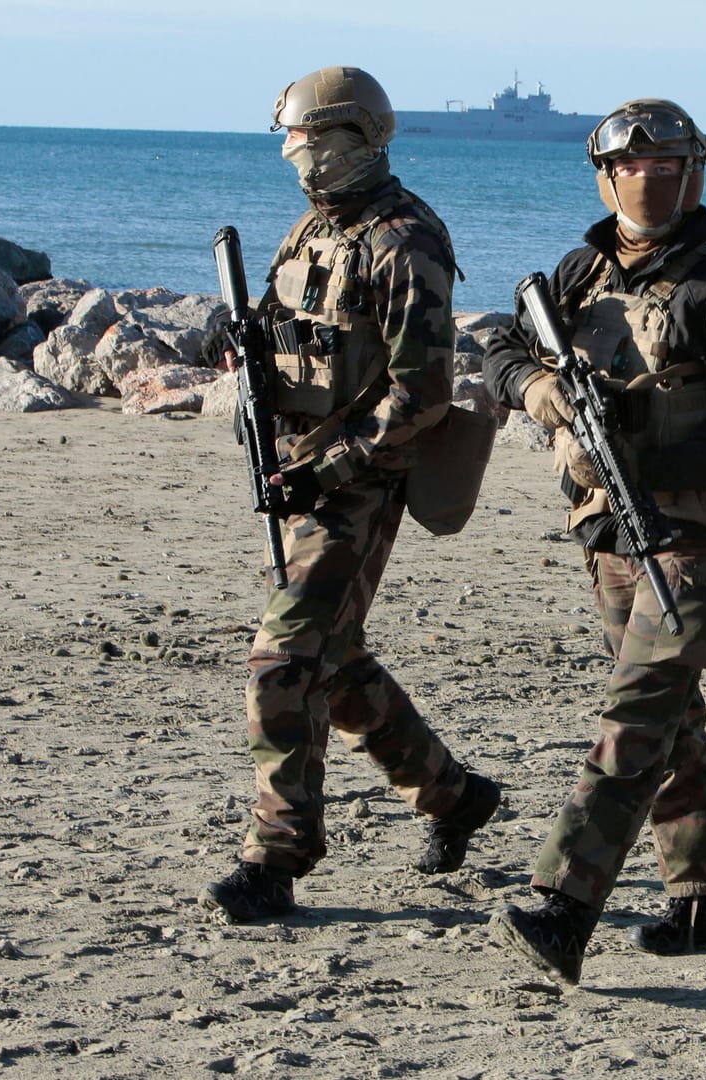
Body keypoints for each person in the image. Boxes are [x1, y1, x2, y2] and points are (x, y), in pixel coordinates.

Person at [481, 98, 706, 984]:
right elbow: (504, 347)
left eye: (668, 167)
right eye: (633, 167)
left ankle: (565, 905)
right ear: (605, 175)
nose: (650, 181)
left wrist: (640, 445)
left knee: (637, 716)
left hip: (690, 540)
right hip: (608, 534)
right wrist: (541, 397)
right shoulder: (580, 271)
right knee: (671, 719)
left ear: (694, 175)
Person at [199, 65, 500, 924]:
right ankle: (453, 796)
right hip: (298, 470)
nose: (295, 155)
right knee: (334, 664)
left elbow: (422, 396)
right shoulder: (313, 233)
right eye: (291, 140)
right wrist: (241, 337)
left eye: (308, 138)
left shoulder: (406, 242)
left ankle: (277, 856)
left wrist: (329, 471)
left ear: (352, 139)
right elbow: (289, 335)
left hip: (360, 482)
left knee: (281, 660)